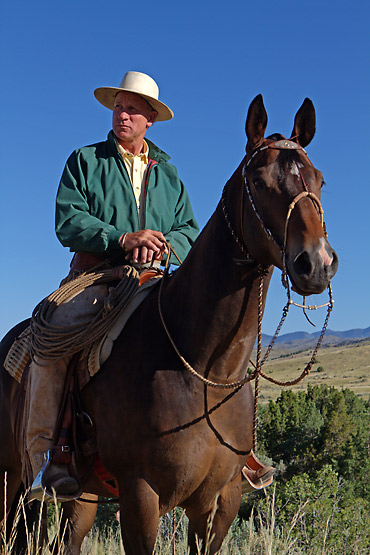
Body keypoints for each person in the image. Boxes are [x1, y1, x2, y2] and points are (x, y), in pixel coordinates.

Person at [27, 71, 199, 497]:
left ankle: (235, 452)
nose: (123, 114)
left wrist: (160, 245)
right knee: (51, 338)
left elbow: (189, 231)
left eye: (133, 109)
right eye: (119, 106)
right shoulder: (85, 160)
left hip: (157, 277)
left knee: (217, 329)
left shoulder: (170, 175)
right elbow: (69, 220)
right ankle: (48, 456)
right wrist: (122, 239)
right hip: (97, 275)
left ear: (150, 120)